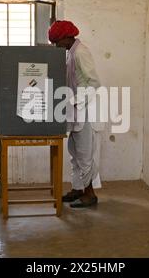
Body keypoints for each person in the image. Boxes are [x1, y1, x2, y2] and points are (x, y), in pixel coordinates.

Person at [48, 20, 103, 208]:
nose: (57, 46)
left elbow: (94, 82)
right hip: (75, 110)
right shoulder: (70, 53)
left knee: (84, 154)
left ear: (67, 37)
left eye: (57, 41)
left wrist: (76, 103)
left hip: (85, 110)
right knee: (74, 151)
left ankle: (90, 194)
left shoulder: (80, 52)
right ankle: (78, 188)